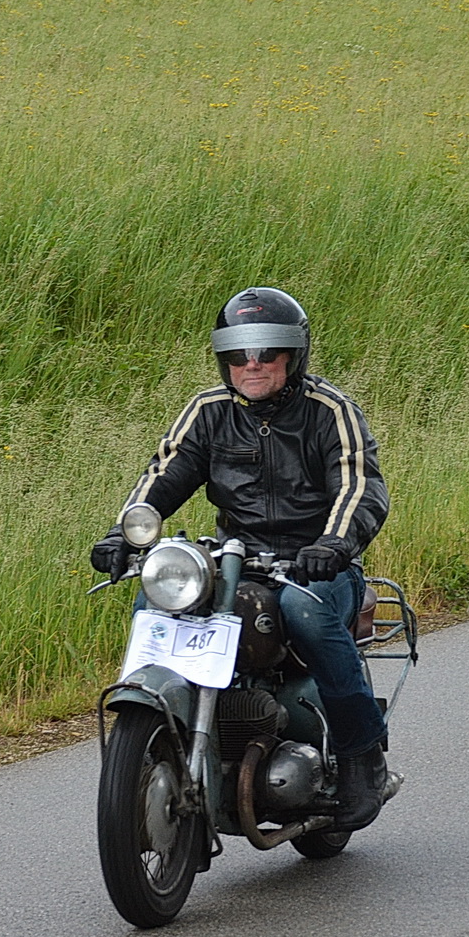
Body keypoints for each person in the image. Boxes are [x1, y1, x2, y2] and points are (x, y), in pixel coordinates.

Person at [89, 287, 392, 830]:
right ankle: (158, 740)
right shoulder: (207, 412)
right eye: (237, 354)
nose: (251, 365)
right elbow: (165, 474)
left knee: (305, 614)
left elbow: (359, 486)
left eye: (267, 353)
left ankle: (360, 753)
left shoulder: (331, 412)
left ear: (294, 356)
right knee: (159, 599)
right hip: (233, 560)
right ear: (222, 357)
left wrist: (333, 545)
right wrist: (124, 535)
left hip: (315, 563)